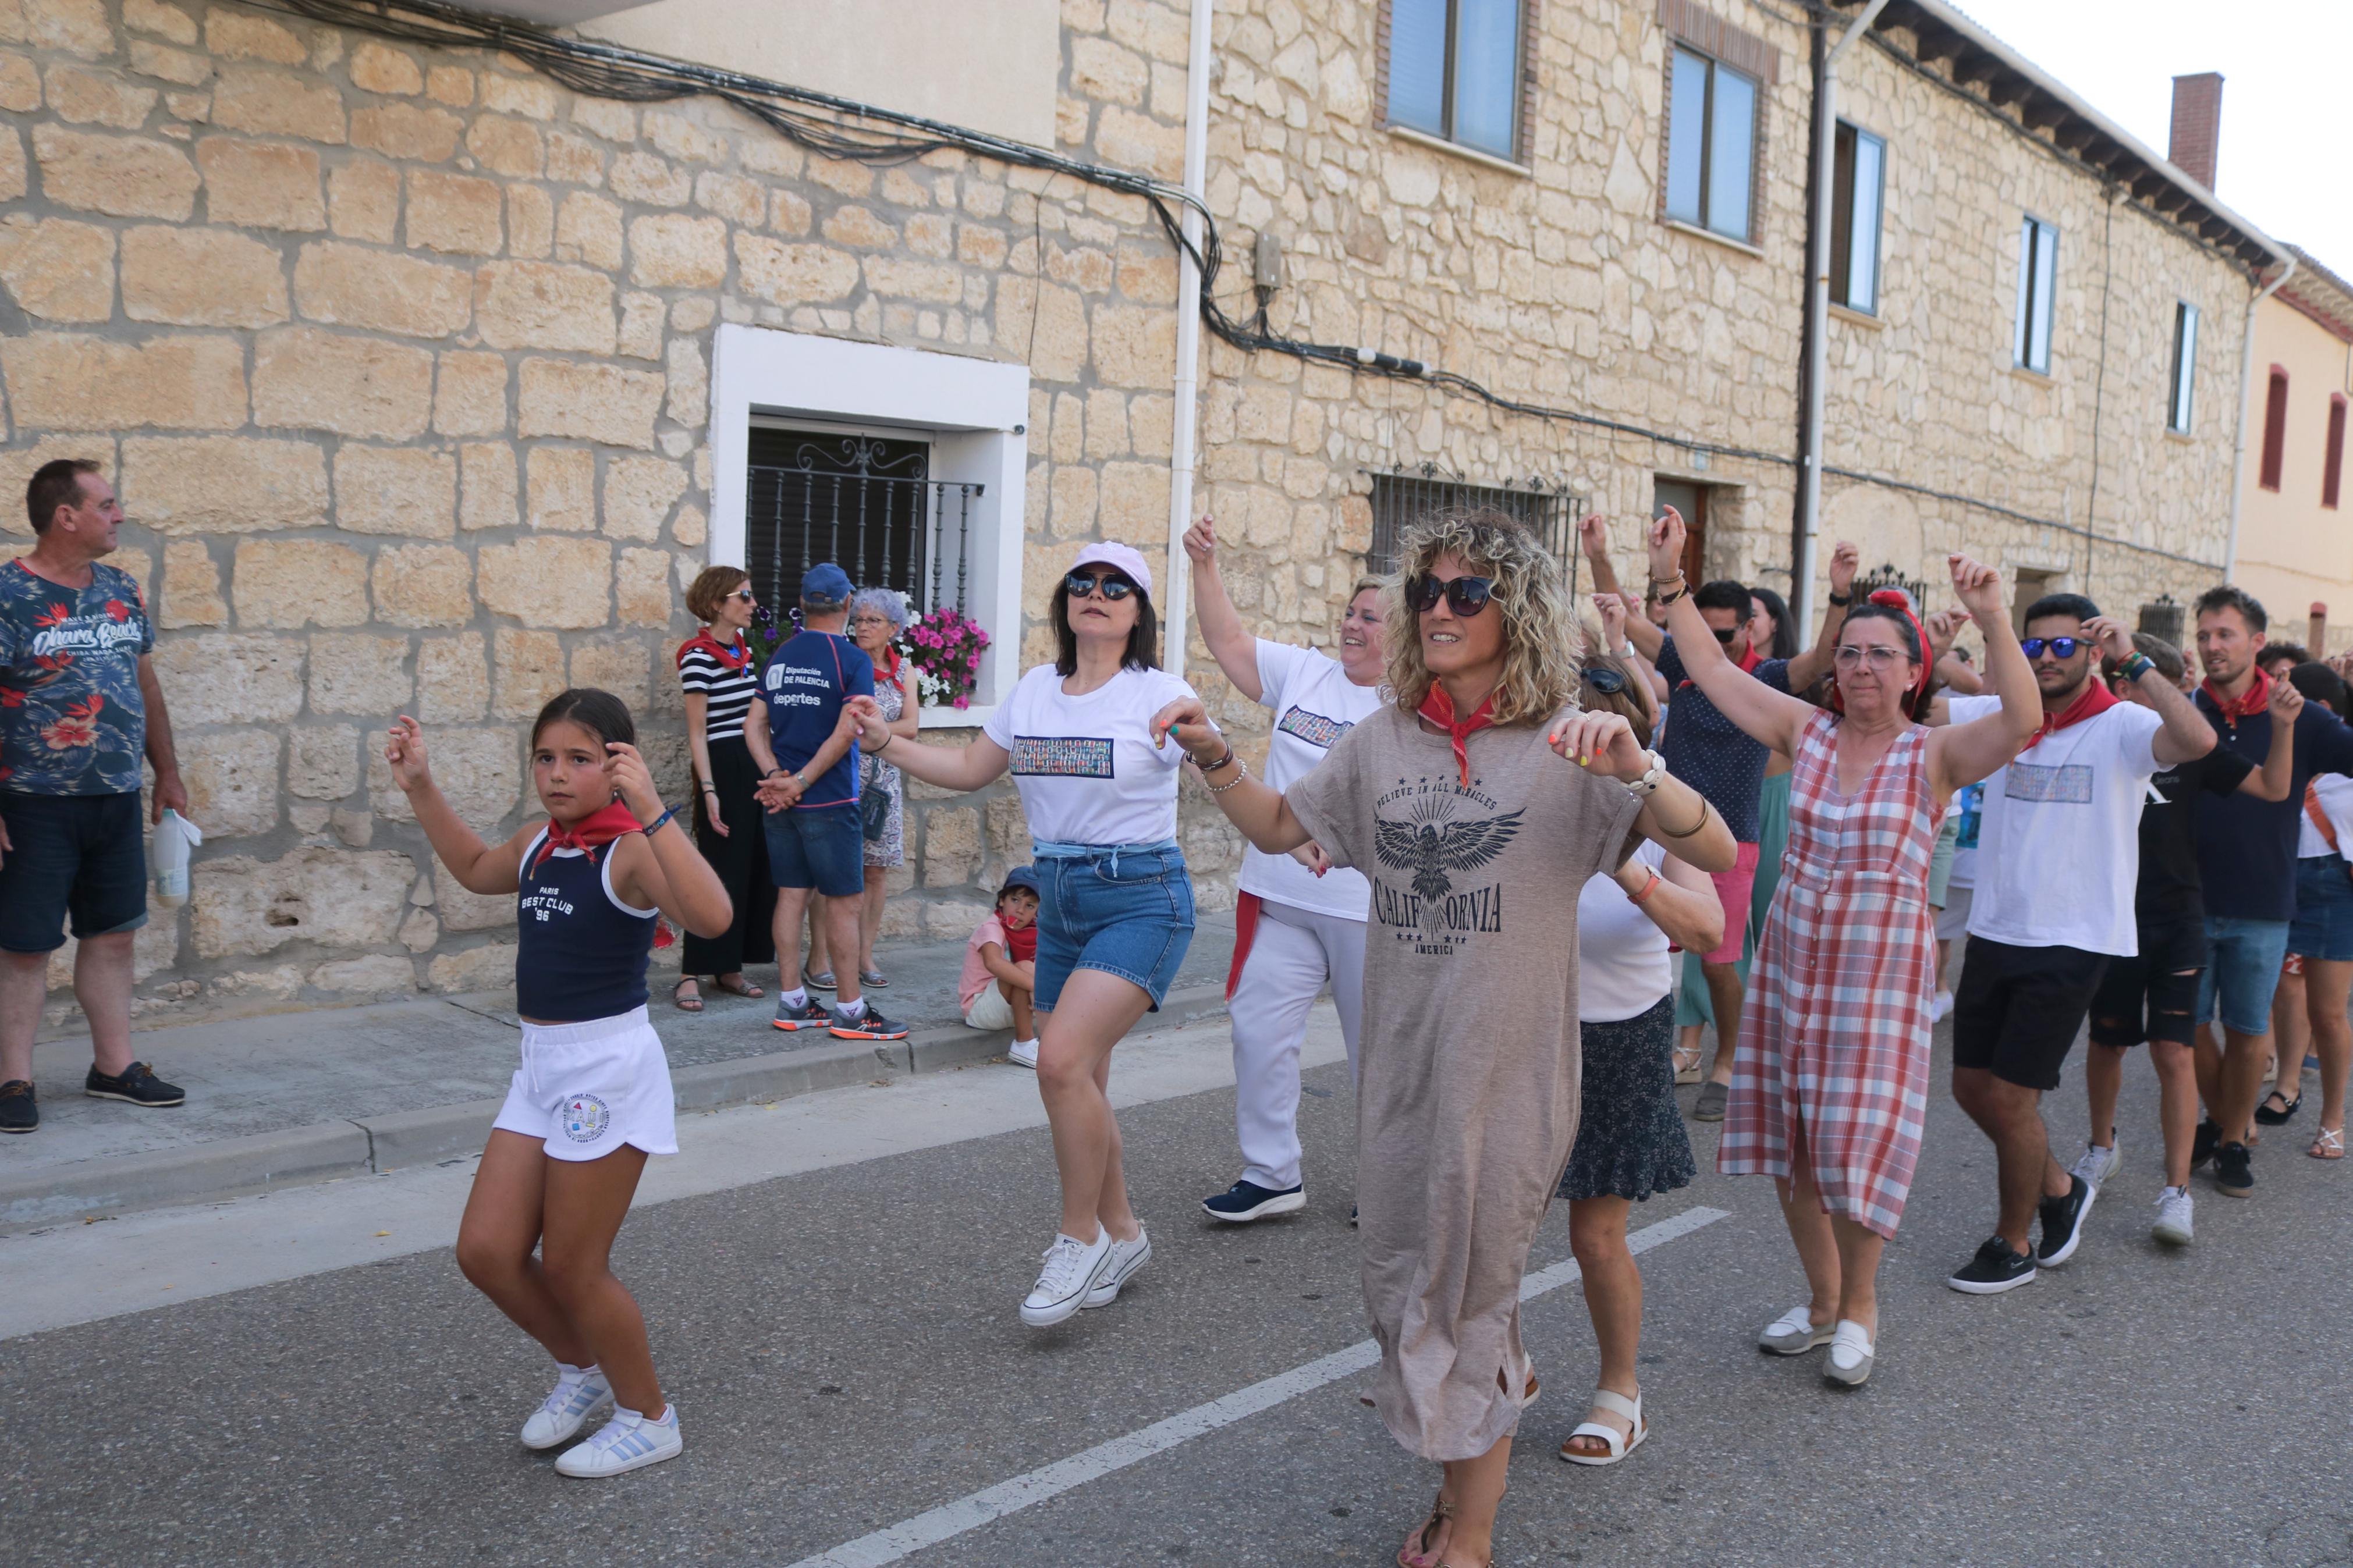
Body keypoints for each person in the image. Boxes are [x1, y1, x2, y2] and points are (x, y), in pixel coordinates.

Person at [1153, 510, 1735, 1568]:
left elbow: (1719, 847)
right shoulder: (1382, 743)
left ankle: (1468, 1535)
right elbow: (1286, 829)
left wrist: (1638, 768)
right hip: (1399, 1074)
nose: (1439, 609)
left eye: (1467, 593)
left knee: (1469, 1297)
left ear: (1512, 612)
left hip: (1509, 1079)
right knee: (1406, 1287)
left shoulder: (1568, 744)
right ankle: (1454, 1475)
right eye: (1429, 592)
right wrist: (1214, 759)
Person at [1652, 506, 2036, 1384]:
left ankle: (1861, 1305)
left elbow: (2019, 718)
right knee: (1793, 1145)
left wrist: (1991, 615)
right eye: (1851, 651)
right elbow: (1708, 665)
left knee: (1851, 1145)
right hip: (1791, 965)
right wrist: (1671, 577)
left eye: (1881, 654)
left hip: (1877, 977)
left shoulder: (1933, 753)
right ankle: (1821, 1302)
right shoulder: (1803, 729)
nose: (1862, 665)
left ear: (1911, 672)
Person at [847, 541, 1199, 1328]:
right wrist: (883, 741)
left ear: (1139, 611)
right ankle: (1123, 1231)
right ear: (1065, 601)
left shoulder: (1161, 691)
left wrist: (1290, 820)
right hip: (1060, 894)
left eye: (1117, 587)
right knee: (1086, 1082)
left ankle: (1076, 1237)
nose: (1096, 594)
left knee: (1058, 1061)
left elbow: (1217, 766)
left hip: (1142, 895)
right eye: (1082, 583)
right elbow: (973, 766)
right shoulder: (1035, 690)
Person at [385, 690, 733, 1478]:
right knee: (486, 1250)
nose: (557, 774)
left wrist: (651, 809)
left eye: (579, 758)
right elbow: (476, 869)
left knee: (576, 1263)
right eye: (546, 757)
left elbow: (713, 917)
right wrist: (421, 786)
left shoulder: (630, 846)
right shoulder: (545, 841)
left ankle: (650, 1414)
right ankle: (582, 1371)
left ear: (617, 763)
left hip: (606, 1068)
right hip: (539, 1065)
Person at [1939, 599, 2219, 1294]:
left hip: (2075, 938)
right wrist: (1936, 646)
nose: (2046, 658)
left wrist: (2135, 661)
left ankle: (2013, 1242)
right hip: (1997, 928)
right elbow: (1912, 717)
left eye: (2063, 645)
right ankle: (2060, 1189)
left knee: (2010, 1098)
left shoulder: (2121, 725)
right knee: (1969, 1086)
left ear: (2090, 652)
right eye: (2033, 647)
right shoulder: (2004, 719)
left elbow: (2196, 741)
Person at [1582, 518, 1854, 1122]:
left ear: (1750, 630)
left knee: (1717, 956)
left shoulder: (1766, 679)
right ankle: (1682, 1049)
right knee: (1653, 940)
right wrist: (1600, 555)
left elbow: (1818, 659)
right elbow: (1621, 622)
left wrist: (1839, 595)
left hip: (1730, 835)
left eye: (1730, 634)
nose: (1720, 646)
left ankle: (1730, 1058)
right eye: (1711, 633)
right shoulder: (1680, 655)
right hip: (1661, 819)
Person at [1181, 513, 1387, 1222]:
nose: (1353, 626)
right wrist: (1205, 564)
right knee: (1257, 1029)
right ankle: (1271, 1173)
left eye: (1372, 618)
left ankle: (1386, 1185)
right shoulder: (1304, 671)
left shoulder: (1415, 707)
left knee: (1379, 1056)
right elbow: (1229, 644)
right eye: (1351, 612)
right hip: (1279, 895)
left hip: (1369, 909)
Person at [1553, 632, 1724, 1466]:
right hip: (1521, 1033)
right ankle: (1497, 1365)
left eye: (1603, 707)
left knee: (1594, 1236)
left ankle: (1620, 1390)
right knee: (1484, 1225)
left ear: (1633, 724)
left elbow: (1706, 927)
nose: (1584, 724)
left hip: (1618, 1037)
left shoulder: (1658, 805)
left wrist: (1626, 868)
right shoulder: (1525, 789)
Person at [2081, 634, 2295, 1248]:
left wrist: (2281, 727)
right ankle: (2101, 1148)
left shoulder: (2193, 746)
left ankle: (2175, 1194)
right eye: (2124, 683)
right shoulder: (2097, 737)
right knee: (2106, 1043)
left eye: (2149, 685)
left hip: (2176, 918)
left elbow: (2274, 789)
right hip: (2109, 917)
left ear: (2166, 689)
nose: (2131, 694)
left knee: (2172, 1052)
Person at [0, 459, 188, 1135]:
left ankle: (114, 1066)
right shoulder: (8, 592)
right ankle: (12, 1078)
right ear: (66, 516)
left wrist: (166, 773)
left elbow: (146, 686)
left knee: (112, 937)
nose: (119, 515)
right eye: (107, 505)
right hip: (31, 801)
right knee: (23, 947)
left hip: (114, 795)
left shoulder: (120, 589)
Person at [2187, 586, 2353, 1199]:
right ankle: (2223, 1117)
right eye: (2203, 635)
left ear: (2256, 642)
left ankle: (2231, 1138)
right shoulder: (2184, 709)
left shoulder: (2301, 716)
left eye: (2224, 634)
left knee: (2248, 1027)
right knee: (2184, 1029)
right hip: (2189, 898)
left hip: (2262, 901)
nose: (2211, 646)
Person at [744, 563, 908, 1043]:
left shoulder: (781, 654)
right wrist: (799, 780)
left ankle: (793, 1001)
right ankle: (851, 1011)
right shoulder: (852, 657)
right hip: (830, 799)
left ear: (803, 604)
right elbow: (847, 729)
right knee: (844, 902)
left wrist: (776, 776)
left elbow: (753, 724)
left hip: (780, 800)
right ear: (845, 605)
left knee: (791, 895)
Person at [671, 567, 775, 1012]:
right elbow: (697, 732)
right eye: (745, 597)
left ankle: (729, 967)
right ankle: (689, 973)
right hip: (722, 763)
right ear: (718, 603)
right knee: (717, 866)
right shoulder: (697, 656)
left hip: (752, 759)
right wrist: (709, 790)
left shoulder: (743, 652)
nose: (753, 604)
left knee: (754, 864)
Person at [2274, 662, 2353, 1163]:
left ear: (2321, 710)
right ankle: (2283, 1086)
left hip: (2331, 885)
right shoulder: (2278, 746)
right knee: (2279, 991)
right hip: (2276, 877)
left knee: (2327, 1013)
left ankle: (2333, 1119)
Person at [845, 586, 917, 990]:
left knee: (875, 872)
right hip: (844, 774)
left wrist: (874, 732)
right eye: (858, 619)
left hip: (884, 782)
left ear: (892, 628)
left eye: (872, 621)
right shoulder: (846, 663)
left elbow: (912, 726)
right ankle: (822, 956)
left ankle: (864, 954)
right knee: (838, 869)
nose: (862, 627)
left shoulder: (904, 669)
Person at [960, 867, 1041, 1066]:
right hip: (979, 1010)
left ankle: (1049, 1039)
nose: (1020, 910)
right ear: (1002, 900)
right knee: (1022, 968)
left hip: (1006, 1006)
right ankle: (1024, 1044)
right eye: (1015, 900)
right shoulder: (991, 928)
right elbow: (994, 963)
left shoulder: (1031, 934)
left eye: (1029, 906)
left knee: (1030, 968)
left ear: (1037, 913)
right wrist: (1036, 988)